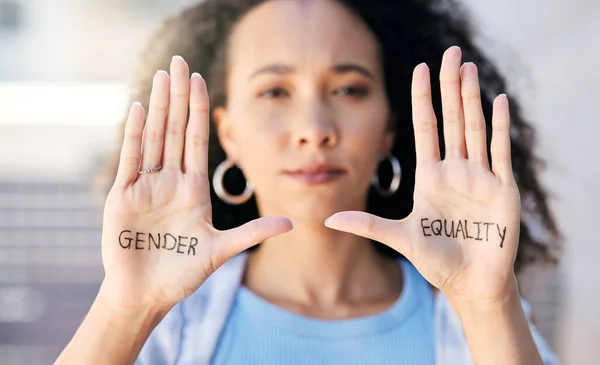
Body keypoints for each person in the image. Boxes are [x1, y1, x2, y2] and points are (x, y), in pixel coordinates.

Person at [56, 0, 561, 364]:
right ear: (227, 132)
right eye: (275, 91)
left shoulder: (479, 320)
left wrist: (487, 307)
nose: (314, 130)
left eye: (348, 88)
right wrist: (127, 311)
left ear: (389, 125)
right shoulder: (170, 328)